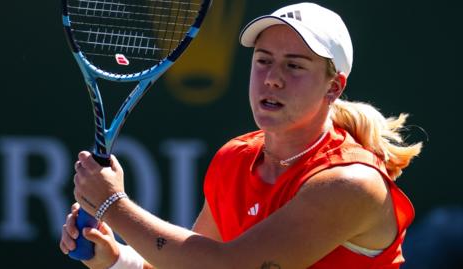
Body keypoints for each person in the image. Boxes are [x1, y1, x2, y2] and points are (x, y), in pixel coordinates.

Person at [60, 2, 423, 269]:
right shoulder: (234, 159)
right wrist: (115, 258)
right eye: (263, 60)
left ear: (334, 87)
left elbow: (231, 265)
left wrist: (113, 205)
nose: (272, 78)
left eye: (294, 65)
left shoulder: (351, 183)